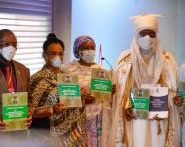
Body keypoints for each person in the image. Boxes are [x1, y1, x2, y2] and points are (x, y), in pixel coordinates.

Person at [109, 14, 180, 147]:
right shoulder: (125, 59)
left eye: (152, 33)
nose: (148, 37)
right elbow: (120, 90)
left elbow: (173, 91)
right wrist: (126, 106)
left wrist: (174, 99)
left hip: (158, 118)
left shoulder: (167, 60)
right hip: (136, 116)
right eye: (143, 33)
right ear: (137, 35)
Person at [30, 33, 87, 146]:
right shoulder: (37, 79)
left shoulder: (67, 77)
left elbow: (73, 103)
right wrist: (52, 109)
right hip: (47, 135)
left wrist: (81, 96)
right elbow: (32, 111)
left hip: (71, 135)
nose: (57, 57)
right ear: (44, 55)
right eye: (53, 53)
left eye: (60, 54)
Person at [61, 35, 115, 147]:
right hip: (77, 119)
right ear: (77, 50)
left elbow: (105, 97)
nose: (89, 50)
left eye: (92, 47)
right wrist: (81, 100)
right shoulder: (67, 69)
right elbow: (64, 97)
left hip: (98, 120)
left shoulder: (102, 70)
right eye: (85, 48)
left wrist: (110, 93)